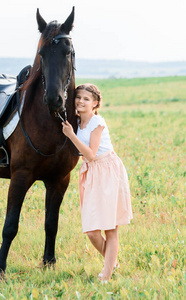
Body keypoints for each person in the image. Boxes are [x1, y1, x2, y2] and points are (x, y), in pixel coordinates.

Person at [62, 83, 133, 282]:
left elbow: (91, 154)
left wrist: (71, 135)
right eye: (78, 97)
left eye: (86, 99)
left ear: (95, 103)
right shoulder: (76, 121)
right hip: (93, 174)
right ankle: (112, 261)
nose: (81, 101)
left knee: (110, 227)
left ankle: (107, 273)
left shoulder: (97, 122)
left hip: (107, 170)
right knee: (92, 231)